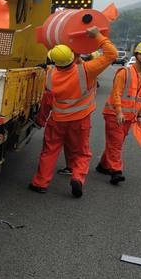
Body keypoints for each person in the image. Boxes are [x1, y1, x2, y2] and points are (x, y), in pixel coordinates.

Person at [29, 27, 117, 197]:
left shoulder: (49, 75)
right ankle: (77, 177)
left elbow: (47, 100)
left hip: (57, 120)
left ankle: (40, 183)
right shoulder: (86, 71)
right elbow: (111, 54)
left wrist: (41, 119)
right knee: (82, 152)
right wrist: (97, 36)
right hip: (80, 120)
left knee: (50, 151)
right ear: (73, 57)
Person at [96, 41, 141, 184]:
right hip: (114, 114)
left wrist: (139, 114)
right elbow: (116, 93)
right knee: (116, 144)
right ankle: (116, 171)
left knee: (116, 142)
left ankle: (103, 166)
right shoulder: (124, 72)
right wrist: (119, 112)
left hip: (130, 116)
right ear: (136, 54)